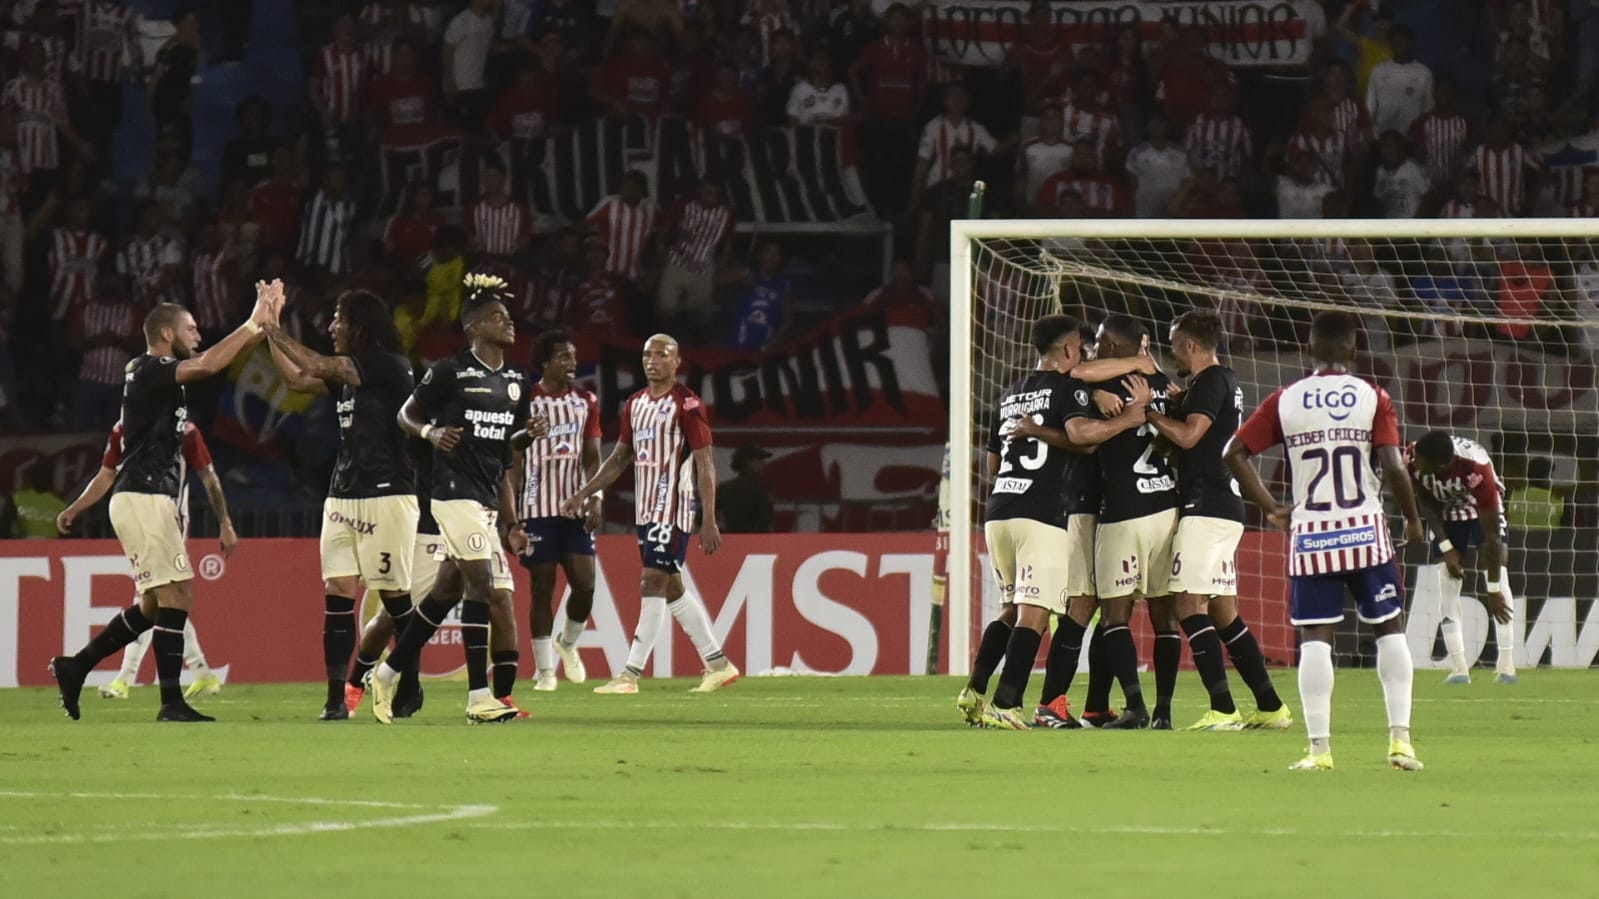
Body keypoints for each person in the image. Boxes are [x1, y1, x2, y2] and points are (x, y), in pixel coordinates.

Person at [48, 285, 274, 722]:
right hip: (145, 497)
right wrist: (252, 324)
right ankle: (171, 702)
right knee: (179, 594)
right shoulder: (149, 368)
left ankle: (75, 667)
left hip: (141, 498)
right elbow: (208, 365)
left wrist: (76, 507)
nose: (198, 332)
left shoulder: (151, 383)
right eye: (190, 327)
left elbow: (107, 471)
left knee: (154, 605)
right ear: (167, 334)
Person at [1225, 311, 1437, 771]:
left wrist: (1269, 506)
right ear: (1353, 350)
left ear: (1309, 349)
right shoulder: (1371, 396)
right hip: (1365, 530)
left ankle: (1319, 751)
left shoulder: (1286, 399)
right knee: (1389, 629)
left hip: (1314, 534)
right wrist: (1414, 520)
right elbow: (1394, 466)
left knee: (1316, 639)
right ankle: (1401, 742)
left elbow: (1233, 453)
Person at [956, 315, 1150, 730]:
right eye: (1080, 348)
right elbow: (1081, 436)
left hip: (998, 510)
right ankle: (1008, 704)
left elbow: (992, 461)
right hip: (1040, 515)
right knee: (1036, 614)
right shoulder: (1069, 388)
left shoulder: (1010, 394)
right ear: (1067, 351)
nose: (1082, 355)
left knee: (1010, 609)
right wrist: (1125, 421)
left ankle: (974, 690)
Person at [368, 274, 539, 724]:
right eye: (497, 317)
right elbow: (407, 413)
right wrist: (431, 432)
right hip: (449, 492)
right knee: (481, 584)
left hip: (482, 496)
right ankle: (478, 698)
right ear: (474, 328)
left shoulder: (518, 381)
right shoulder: (450, 371)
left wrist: (527, 435)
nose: (509, 323)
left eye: (508, 316)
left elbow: (505, 448)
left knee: (445, 594)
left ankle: (385, 673)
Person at [258, 287, 421, 720]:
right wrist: (267, 329)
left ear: (361, 326)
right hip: (342, 493)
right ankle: (335, 698)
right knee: (337, 592)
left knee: (393, 594)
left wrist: (273, 326)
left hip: (388, 492)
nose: (331, 328)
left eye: (338, 320)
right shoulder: (347, 376)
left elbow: (314, 363)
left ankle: (411, 679)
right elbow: (295, 378)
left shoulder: (389, 366)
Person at [561, 334, 740, 694]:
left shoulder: (687, 405)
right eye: (647, 354)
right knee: (672, 587)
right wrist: (585, 491)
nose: (653, 360)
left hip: (673, 507)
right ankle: (718, 663)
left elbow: (705, 462)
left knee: (651, 581)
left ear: (677, 362)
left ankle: (629, 674)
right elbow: (620, 458)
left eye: (662, 354)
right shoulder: (635, 404)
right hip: (644, 510)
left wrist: (708, 518)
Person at [1143, 310, 1289, 730]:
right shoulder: (1223, 382)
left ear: (1190, 345)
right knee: (1223, 612)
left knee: (1187, 603)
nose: (1173, 355)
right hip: (1224, 505)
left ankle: (1223, 708)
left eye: (1174, 346)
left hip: (1206, 506)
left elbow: (1189, 437)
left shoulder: (1209, 382)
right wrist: (1177, 406)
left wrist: (1149, 415)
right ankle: (1270, 705)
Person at [57, 420, 233, 701]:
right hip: (145, 516)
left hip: (168, 518)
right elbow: (106, 475)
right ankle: (185, 679)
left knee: (161, 598)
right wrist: (77, 507)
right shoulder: (124, 428)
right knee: (162, 599)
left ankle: (112, 674)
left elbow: (208, 476)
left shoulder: (183, 431)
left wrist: (224, 523)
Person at [1078, 315, 1182, 729]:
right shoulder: (1169, 388)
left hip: (1123, 510)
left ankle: (1135, 705)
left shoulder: (1103, 386)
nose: (1096, 347)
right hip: (1166, 509)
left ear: (1116, 347)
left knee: (1115, 615)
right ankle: (1164, 713)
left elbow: (1076, 373)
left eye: (1102, 341)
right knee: (1164, 617)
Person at [513, 329, 602, 692]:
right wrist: (514, 512)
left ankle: (566, 643)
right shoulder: (526, 401)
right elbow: (515, 457)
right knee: (542, 587)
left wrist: (595, 498)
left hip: (575, 506)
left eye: (573, 356)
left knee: (585, 585)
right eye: (564, 356)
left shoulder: (585, 401)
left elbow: (593, 455)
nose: (572, 362)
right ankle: (546, 671)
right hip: (536, 507)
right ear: (545, 362)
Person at [1407, 431, 1519, 685]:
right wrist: (1447, 547)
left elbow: (1492, 536)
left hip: (1481, 509)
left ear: (1441, 465)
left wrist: (1491, 591)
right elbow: (1425, 502)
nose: (1416, 464)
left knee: (1499, 580)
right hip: (1447, 511)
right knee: (1446, 581)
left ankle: (1506, 667)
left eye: (1421, 463)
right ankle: (1459, 669)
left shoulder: (1475, 466)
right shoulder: (1412, 457)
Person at [719, 444, 774, 533]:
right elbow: (765, 525)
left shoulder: (723, 488)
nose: (763, 463)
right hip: (754, 543)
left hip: (728, 542)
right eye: (759, 459)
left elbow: (701, 517)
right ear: (748, 463)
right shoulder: (760, 491)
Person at [11, 466, 67, 538]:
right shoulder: (61, 504)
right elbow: (67, 535)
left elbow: (5, 528)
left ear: (30, 479)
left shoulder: (17, 498)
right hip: (51, 546)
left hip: (22, 545)